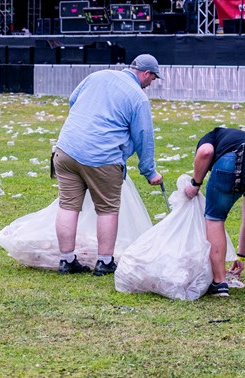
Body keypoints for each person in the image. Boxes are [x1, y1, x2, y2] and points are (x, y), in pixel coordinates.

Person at [51, 54, 164, 276]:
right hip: (102, 158)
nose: (151, 84)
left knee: (67, 205)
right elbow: (143, 136)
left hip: (66, 150)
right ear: (146, 73)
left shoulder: (97, 76)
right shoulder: (138, 98)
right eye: (152, 78)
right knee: (107, 209)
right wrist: (149, 172)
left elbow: (73, 100)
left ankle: (66, 260)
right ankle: (104, 262)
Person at [183, 127, 245, 296]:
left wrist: (195, 183)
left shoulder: (210, 136)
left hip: (230, 162)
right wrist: (240, 256)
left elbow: (205, 152)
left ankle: (220, 283)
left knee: (215, 218)